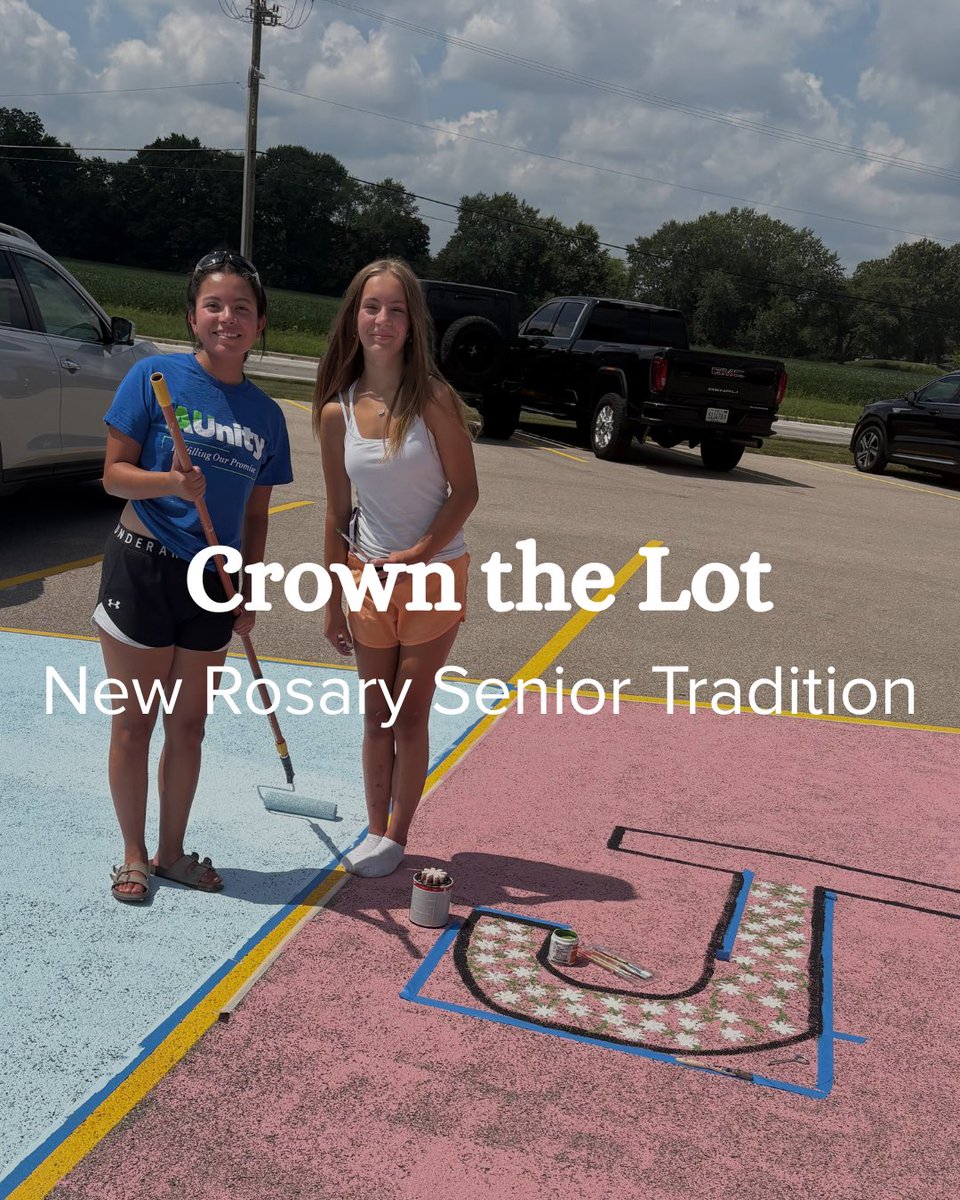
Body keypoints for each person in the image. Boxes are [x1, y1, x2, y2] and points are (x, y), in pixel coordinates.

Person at [95, 249, 293, 903]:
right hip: (143, 565)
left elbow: (258, 516)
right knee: (136, 722)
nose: (227, 317)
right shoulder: (154, 378)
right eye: (214, 304)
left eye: (241, 307)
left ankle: (170, 851)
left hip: (216, 578)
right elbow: (113, 474)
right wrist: (170, 482)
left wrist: (250, 589)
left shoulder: (267, 416)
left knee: (189, 728)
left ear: (260, 324)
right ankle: (131, 853)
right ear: (193, 316)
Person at [314, 258, 479, 878]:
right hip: (366, 578)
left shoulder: (433, 399)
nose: (382, 320)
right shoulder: (337, 412)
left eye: (396, 309)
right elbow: (336, 514)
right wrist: (335, 599)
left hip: (433, 575)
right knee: (374, 713)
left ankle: (396, 837)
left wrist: (419, 553)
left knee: (409, 712)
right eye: (371, 307)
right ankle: (374, 827)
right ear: (354, 317)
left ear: (413, 323)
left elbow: (465, 491)